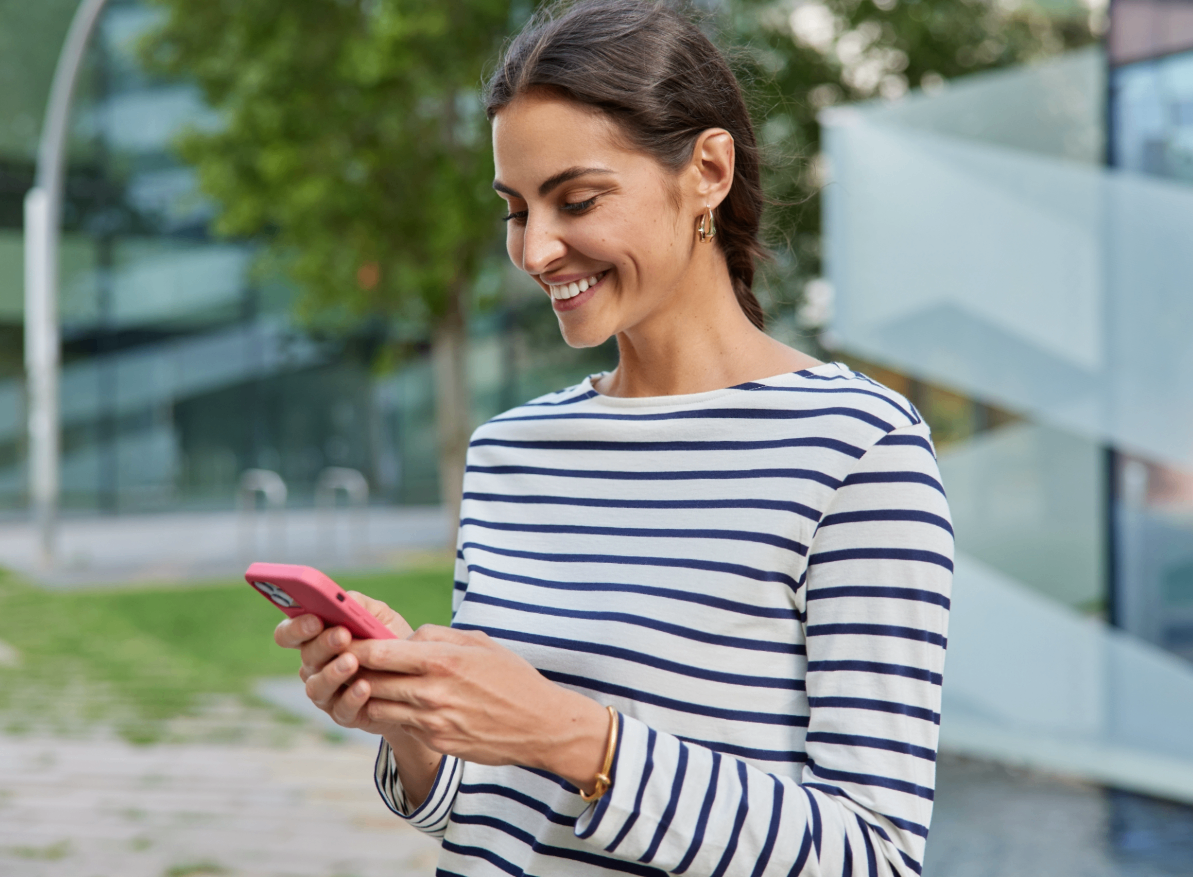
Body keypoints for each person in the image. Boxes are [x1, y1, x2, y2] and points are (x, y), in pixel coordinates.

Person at [276, 2, 953, 874]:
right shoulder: (511, 451)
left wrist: (570, 734)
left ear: (707, 170)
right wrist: (417, 726)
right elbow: (496, 815)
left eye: (578, 199)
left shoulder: (857, 453)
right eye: (516, 209)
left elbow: (874, 857)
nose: (536, 249)